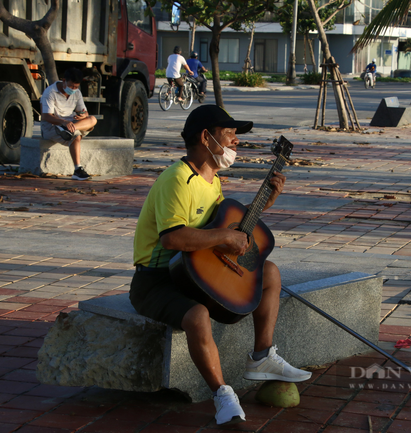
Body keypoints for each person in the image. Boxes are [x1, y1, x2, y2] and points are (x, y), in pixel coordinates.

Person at [130, 105, 311, 426]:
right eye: (229, 134)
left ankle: (262, 356)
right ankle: (222, 395)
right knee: (198, 315)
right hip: (157, 281)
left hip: (194, 273)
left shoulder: (212, 180)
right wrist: (225, 236)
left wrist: (261, 206)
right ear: (206, 137)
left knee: (269, 272)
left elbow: (218, 228)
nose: (235, 142)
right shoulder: (177, 180)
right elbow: (173, 240)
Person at [40, 68, 97, 181]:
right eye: (71, 87)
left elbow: (84, 112)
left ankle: (71, 129)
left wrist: (83, 116)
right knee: (75, 135)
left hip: (70, 123)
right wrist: (63, 122)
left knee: (92, 119)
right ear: (64, 81)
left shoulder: (77, 92)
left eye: (76, 87)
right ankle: (77, 169)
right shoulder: (50, 92)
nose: (73, 89)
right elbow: (46, 116)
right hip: (53, 125)